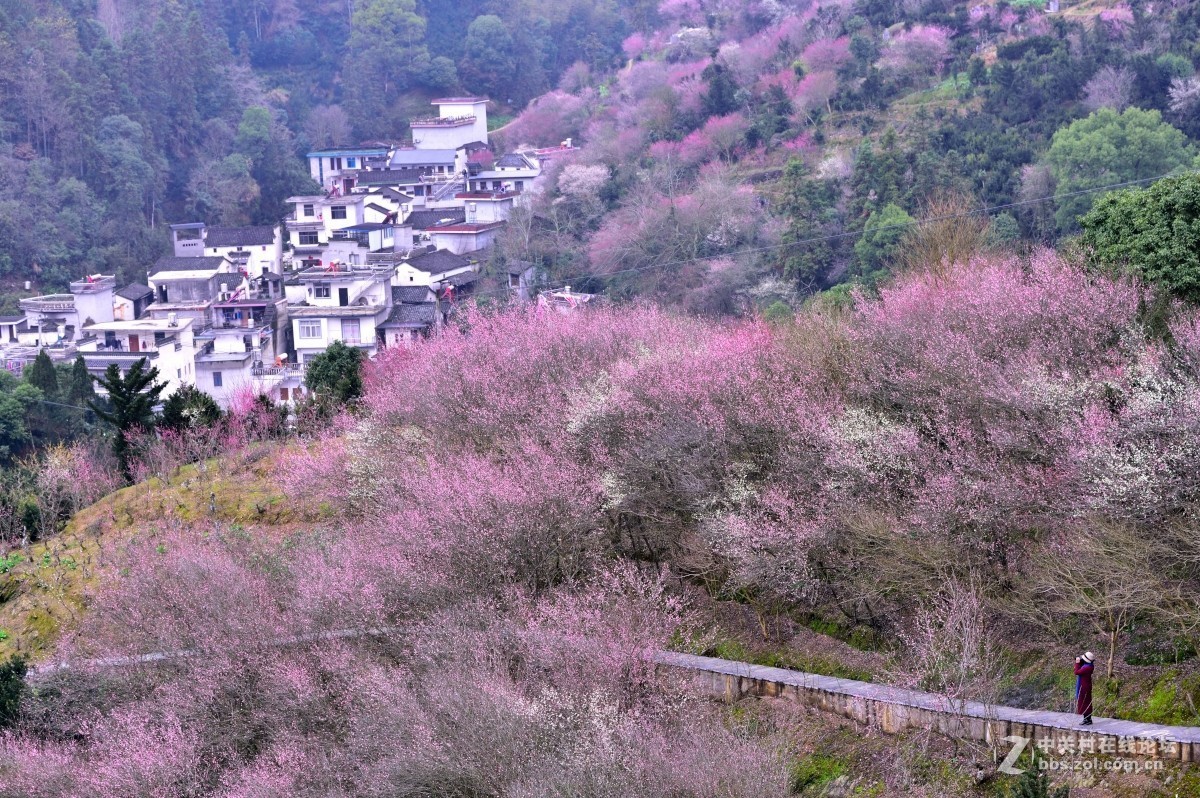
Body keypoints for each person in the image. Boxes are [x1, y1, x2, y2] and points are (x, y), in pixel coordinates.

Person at [1074, 651, 1095, 725]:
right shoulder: (1089, 666)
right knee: (1086, 703)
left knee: (1084, 703)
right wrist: (1080, 662)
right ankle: (1088, 719)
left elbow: (1077, 672)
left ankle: (1087, 720)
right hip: (1086, 686)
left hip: (1084, 688)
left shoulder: (1087, 668)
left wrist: (1077, 662)